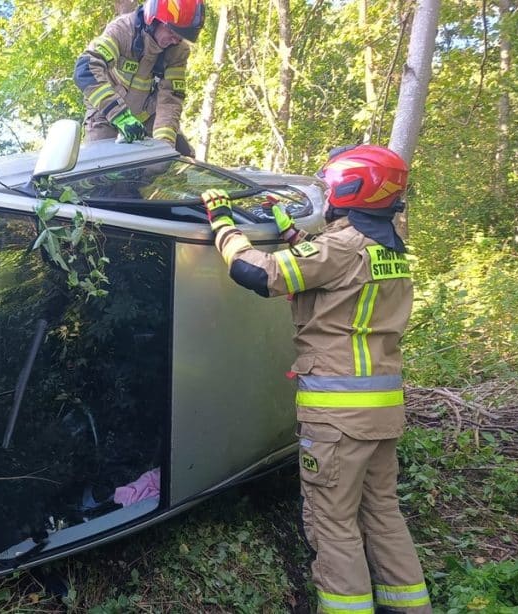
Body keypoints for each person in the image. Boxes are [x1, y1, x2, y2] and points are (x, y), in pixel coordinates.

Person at [202, 145, 432, 614]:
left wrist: (223, 222)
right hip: (381, 414)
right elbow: (329, 271)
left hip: (338, 419)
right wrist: (290, 230)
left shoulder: (341, 248)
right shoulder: (389, 249)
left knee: (334, 522)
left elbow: (257, 273)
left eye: (330, 188)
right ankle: (410, 606)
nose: (326, 196)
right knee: (382, 512)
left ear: (350, 189)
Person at [74, 0, 204, 157]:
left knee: (179, 159)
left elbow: (170, 100)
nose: (176, 40)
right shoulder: (122, 31)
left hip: (148, 117)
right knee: (100, 164)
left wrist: (164, 147)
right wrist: (120, 115)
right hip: (106, 112)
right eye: (172, 32)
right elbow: (86, 69)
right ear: (153, 19)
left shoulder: (178, 51)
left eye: (181, 36)